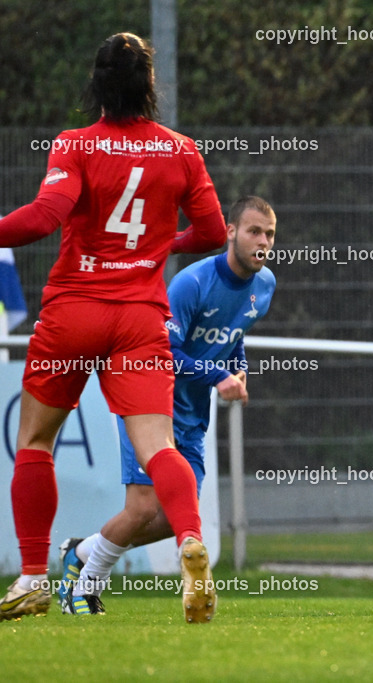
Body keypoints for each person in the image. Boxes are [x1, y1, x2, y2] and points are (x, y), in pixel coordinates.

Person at [0, 33, 226, 624]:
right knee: (160, 449)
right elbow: (213, 233)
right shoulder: (180, 150)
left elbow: (44, 216)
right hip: (140, 319)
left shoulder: (74, 143)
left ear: (96, 86)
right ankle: (189, 543)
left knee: (35, 442)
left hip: (74, 311)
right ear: (150, 86)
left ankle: (31, 579)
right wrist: (159, 248)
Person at [56, 196, 277, 615]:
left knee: (180, 517)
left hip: (192, 415)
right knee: (141, 508)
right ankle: (84, 589)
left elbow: (236, 334)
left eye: (269, 234)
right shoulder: (192, 284)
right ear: (230, 232)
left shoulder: (265, 286)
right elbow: (165, 352)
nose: (262, 242)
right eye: (253, 231)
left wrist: (240, 369)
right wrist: (218, 377)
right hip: (149, 402)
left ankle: (82, 551)